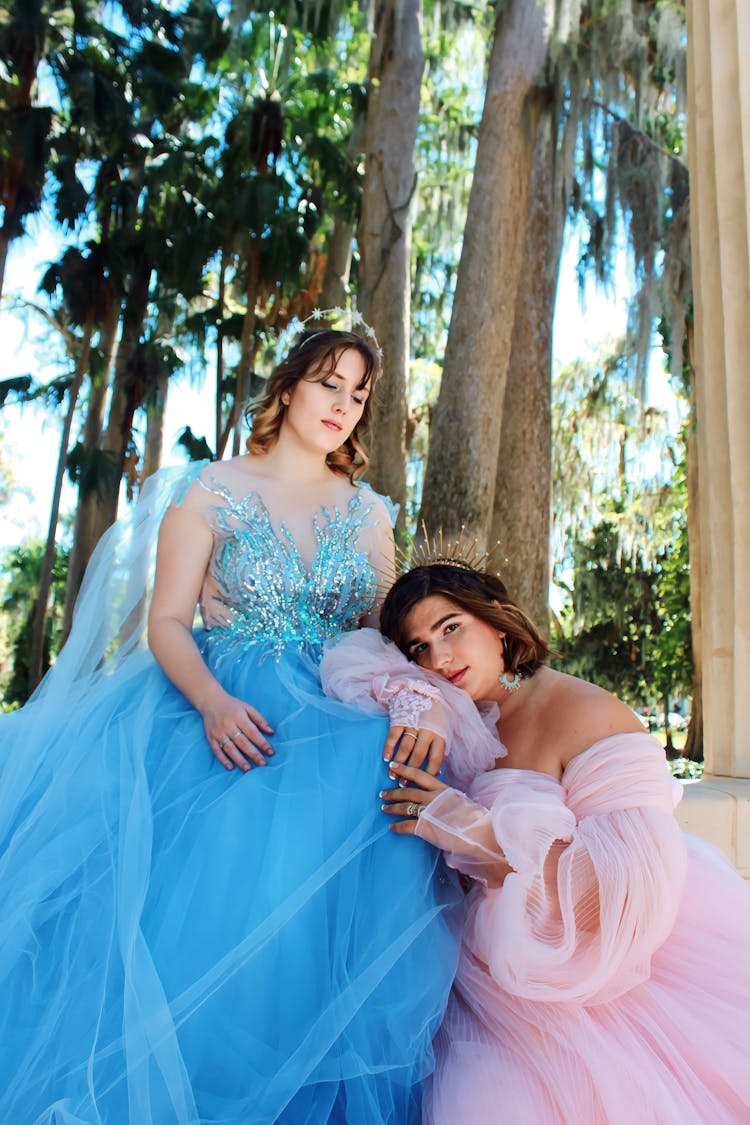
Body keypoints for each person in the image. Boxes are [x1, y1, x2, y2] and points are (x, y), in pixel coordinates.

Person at [0, 317, 463, 1125]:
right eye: (329, 383)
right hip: (217, 709)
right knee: (212, 907)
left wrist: (419, 697)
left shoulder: (369, 512)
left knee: (375, 801)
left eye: (359, 395)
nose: (344, 406)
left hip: (331, 715)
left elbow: (386, 638)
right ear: (287, 387)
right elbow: (168, 623)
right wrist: (212, 702)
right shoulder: (213, 488)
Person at [324, 556, 750, 1123]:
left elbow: (624, 892)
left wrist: (472, 832)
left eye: (452, 628)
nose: (440, 658)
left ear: (498, 623)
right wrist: (415, 698)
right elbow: (353, 665)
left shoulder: (589, 714)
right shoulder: (460, 710)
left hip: (587, 974)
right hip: (468, 965)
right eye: (419, 648)